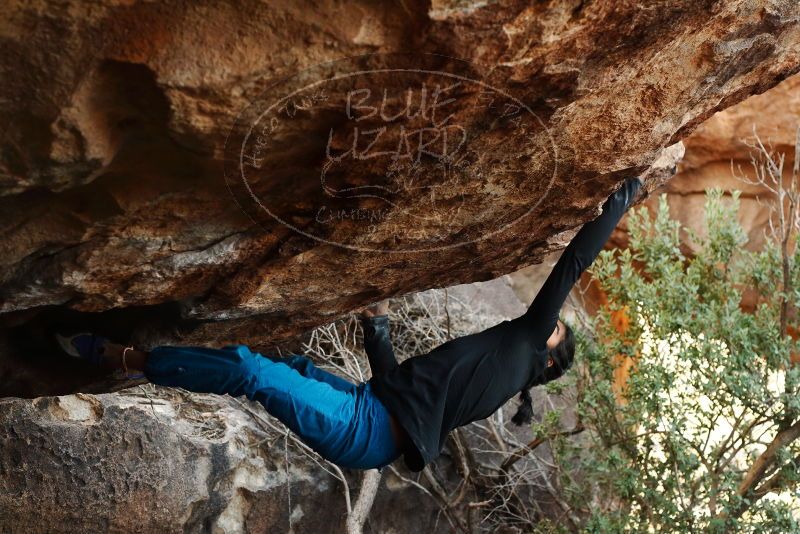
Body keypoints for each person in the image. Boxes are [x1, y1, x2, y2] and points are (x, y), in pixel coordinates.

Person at [57, 176, 643, 472]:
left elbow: (572, 264)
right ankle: (139, 362)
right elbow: (399, 391)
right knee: (287, 366)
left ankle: (127, 361)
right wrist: (378, 328)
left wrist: (624, 196)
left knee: (249, 371)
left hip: (365, 431)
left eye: (555, 328)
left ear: (548, 355)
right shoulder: (499, 367)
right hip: (371, 410)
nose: (550, 322)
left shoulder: (521, 347)